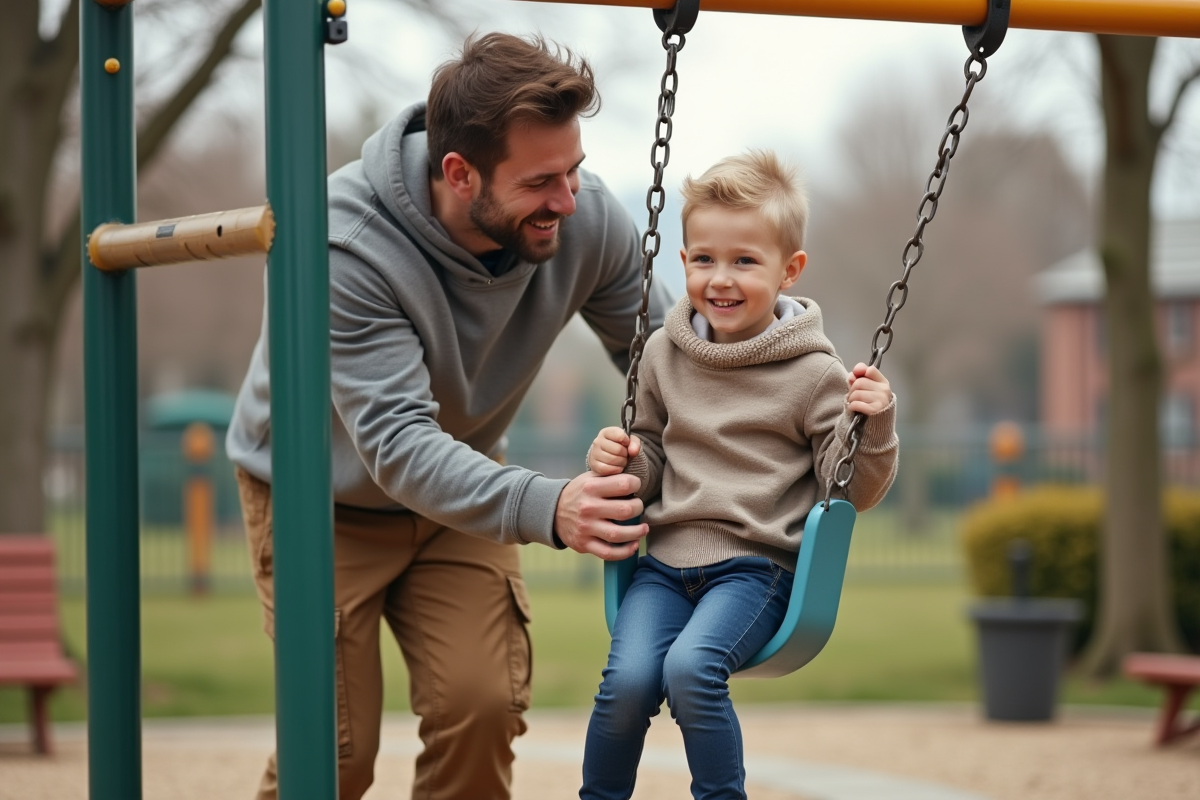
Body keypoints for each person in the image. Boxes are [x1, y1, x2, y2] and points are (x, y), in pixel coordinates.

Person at [226, 33, 672, 800]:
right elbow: (398, 444)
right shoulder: (345, 246)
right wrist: (552, 505)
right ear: (459, 173)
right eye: (541, 181)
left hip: (458, 490)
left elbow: (663, 358)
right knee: (333, 756)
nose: (567, 200)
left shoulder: (584, 222)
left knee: (482, 707)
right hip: (320, 496)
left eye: (575, 170)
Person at [578, 150, 899, 800]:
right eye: (704, 259)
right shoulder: (663, 354)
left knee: (692, 670)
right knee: (628, 681)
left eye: (745, 261)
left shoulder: (814, 374)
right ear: (685, 260)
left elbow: (850, 490)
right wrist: (622, 463)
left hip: (753, 572)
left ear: (789, 270)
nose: (720, 279)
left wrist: (878, 425)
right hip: (663, 568)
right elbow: (651, 453)